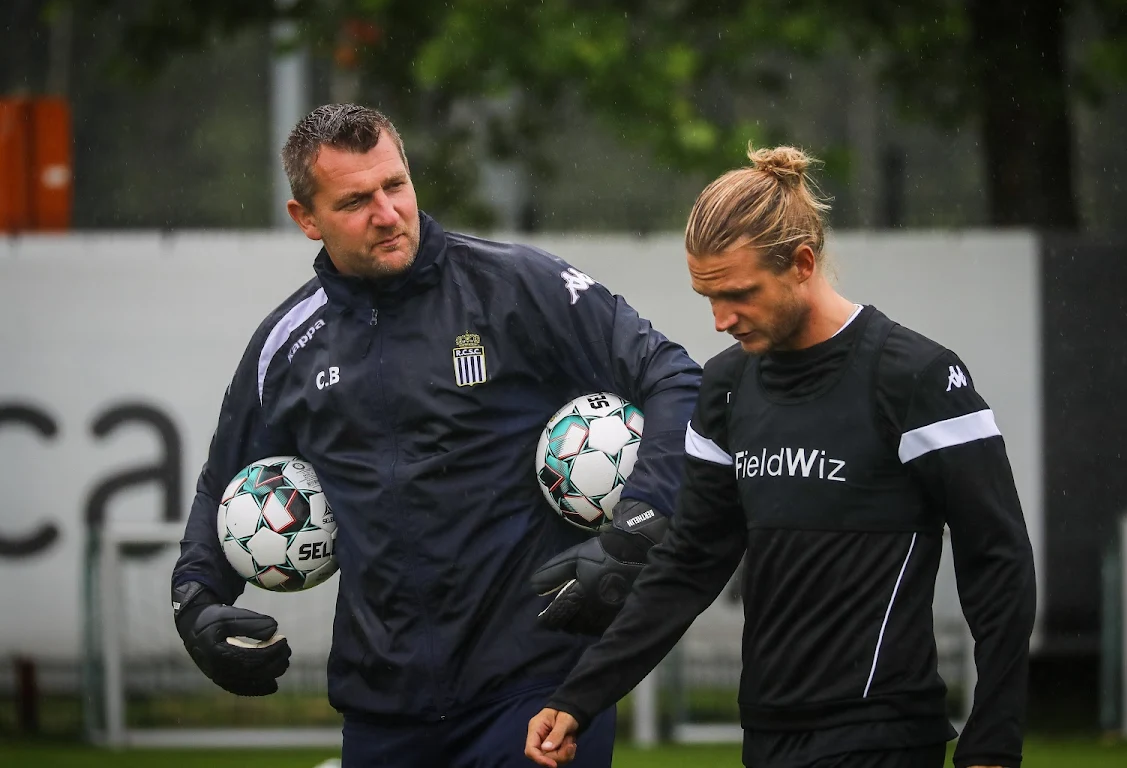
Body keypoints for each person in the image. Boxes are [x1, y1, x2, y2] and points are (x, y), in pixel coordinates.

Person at [169, 103, 701, 767]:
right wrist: (196, 600)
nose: (388, 213)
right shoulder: (287, 346)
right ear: (306, 219)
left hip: (536, 688)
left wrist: (637, 527)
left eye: (396, 185)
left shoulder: (516, 288)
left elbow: (677, 380)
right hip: (383, 709)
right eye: (357, 200)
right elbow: (225, 483)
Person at [526, 146, 1037, 768]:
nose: (719, 320)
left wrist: (995, 735)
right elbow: (688, 563)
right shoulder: (726, 387)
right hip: (766, 735)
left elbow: (998, 559)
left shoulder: (916, 378)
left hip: (885, 736)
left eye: (738, 294)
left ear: (801, 263)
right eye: (706, 296)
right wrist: (581, 696)